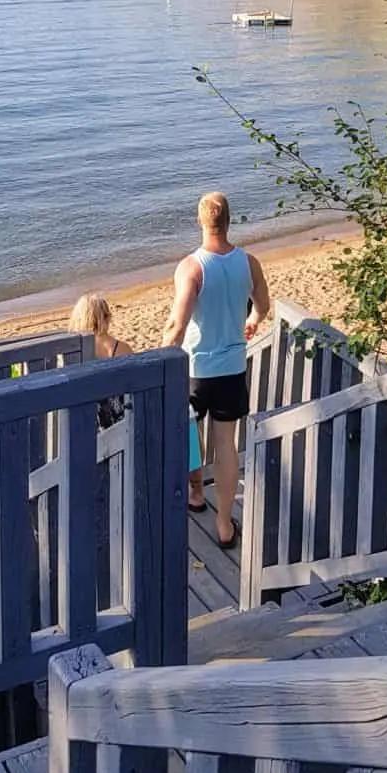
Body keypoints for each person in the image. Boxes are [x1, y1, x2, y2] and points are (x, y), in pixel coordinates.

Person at [162, 192, 269, 549]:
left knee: (190, 434)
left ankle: (195, 493)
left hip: (196, 367)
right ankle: (224, 524)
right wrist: (251, 320)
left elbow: (177, 325)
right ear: (229, 221)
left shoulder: (191, 267)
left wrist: (161, 359)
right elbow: (263, 305)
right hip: (232, 367)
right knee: (226, 444)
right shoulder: (248, 262)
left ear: (200, 221)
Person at [68, 293, 133, 429]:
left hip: (88, 416)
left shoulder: (76, 351)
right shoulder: (122, 348)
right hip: (119, 416)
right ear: (108, 318)